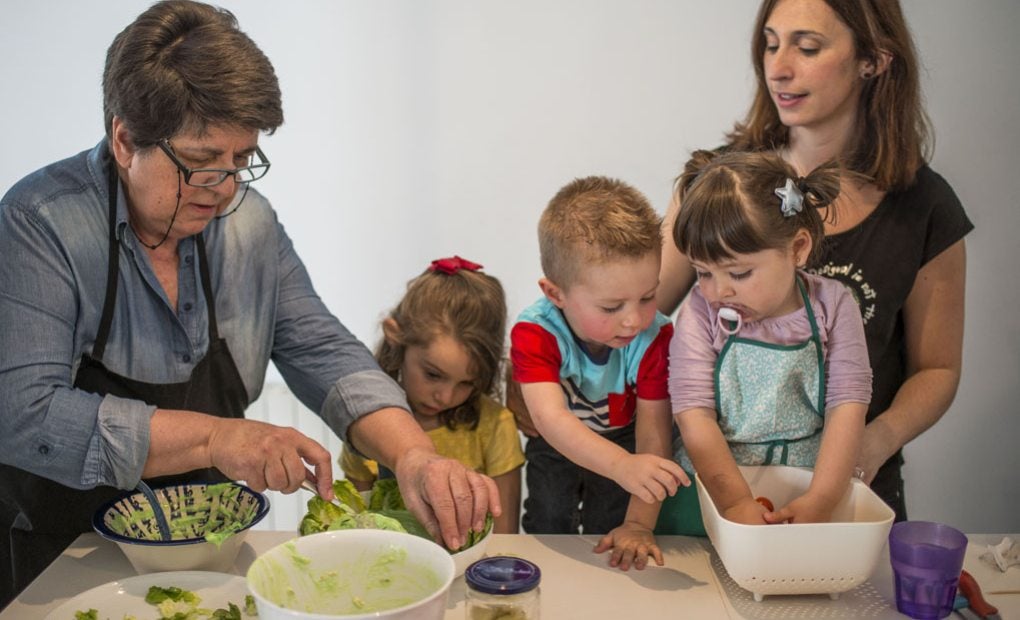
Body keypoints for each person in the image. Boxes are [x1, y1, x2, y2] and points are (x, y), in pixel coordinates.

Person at [0, 0, 498, 605]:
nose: (227, 187)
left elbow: (324, 351)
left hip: (207, 548)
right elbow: (25, 415)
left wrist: (415, 456)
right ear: (126, 139)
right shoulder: (41, 223)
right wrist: (216, 439)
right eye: (203, 163)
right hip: (62, 556)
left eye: (241, 160)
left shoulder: (248, 226)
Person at [657, 0, 973, 522]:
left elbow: (937, 368)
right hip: (715, 495)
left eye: (807, 47)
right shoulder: (717, 187)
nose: (778, 68)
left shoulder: (925, 207)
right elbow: (637, 311)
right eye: (771, 43)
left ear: (873, 59)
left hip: (846, 488)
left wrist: (866, 447)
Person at [656, 151, 872, 534]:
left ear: (797, 249)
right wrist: (735, 501)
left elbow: (847, 408)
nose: (718, 290)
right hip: (710, 493)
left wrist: (822, 498)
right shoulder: (700, 312)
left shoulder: (834, 306)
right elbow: (694, 414)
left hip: (804, 491)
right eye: (703, 272)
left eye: (739, 273)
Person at [510, 175, 689, 571]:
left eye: (647, 297)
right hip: (556, 442)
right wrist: (620, 466)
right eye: (611, 307)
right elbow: (549, 419)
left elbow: (653, 434)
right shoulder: (536, 332)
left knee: (609, 527)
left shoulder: (655, 336)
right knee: (548, 518)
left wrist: (639, 524)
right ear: (555, 294)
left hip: (625, 439)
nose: (634, 320)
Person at [339, 256, 524, 534]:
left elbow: (504, 538)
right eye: (433, 375)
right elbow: (356, 528)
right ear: (395, 336)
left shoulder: (496, 425)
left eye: (467, 383)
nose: (446, 397)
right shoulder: (368, 425)